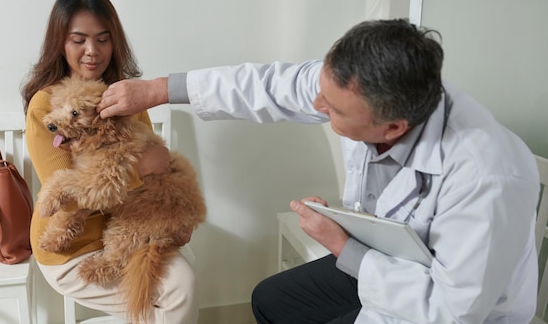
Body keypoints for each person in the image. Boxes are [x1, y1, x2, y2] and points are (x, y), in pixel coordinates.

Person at [97, 18, 540, 324]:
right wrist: (158, 89)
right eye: (321, 91)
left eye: (331, 109)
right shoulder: (362, 85)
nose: (315, 106)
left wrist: (343, 247)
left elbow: (451, 310)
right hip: (382, 259)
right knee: (271, 300)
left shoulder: (489, 176)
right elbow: (271, 85)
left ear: (393, 127)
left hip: (442, 305)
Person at [21, 0, 198, 324]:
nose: (92, 51)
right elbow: (65, 200)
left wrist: (170, 212)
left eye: (103, 39)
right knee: (180, 289)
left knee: (181, 279)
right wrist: (138, 168)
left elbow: (158, 167)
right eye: (79, 40)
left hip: (129, 227)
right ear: (60, 42)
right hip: (70, 249)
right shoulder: (46, 105)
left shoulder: (127, 96)